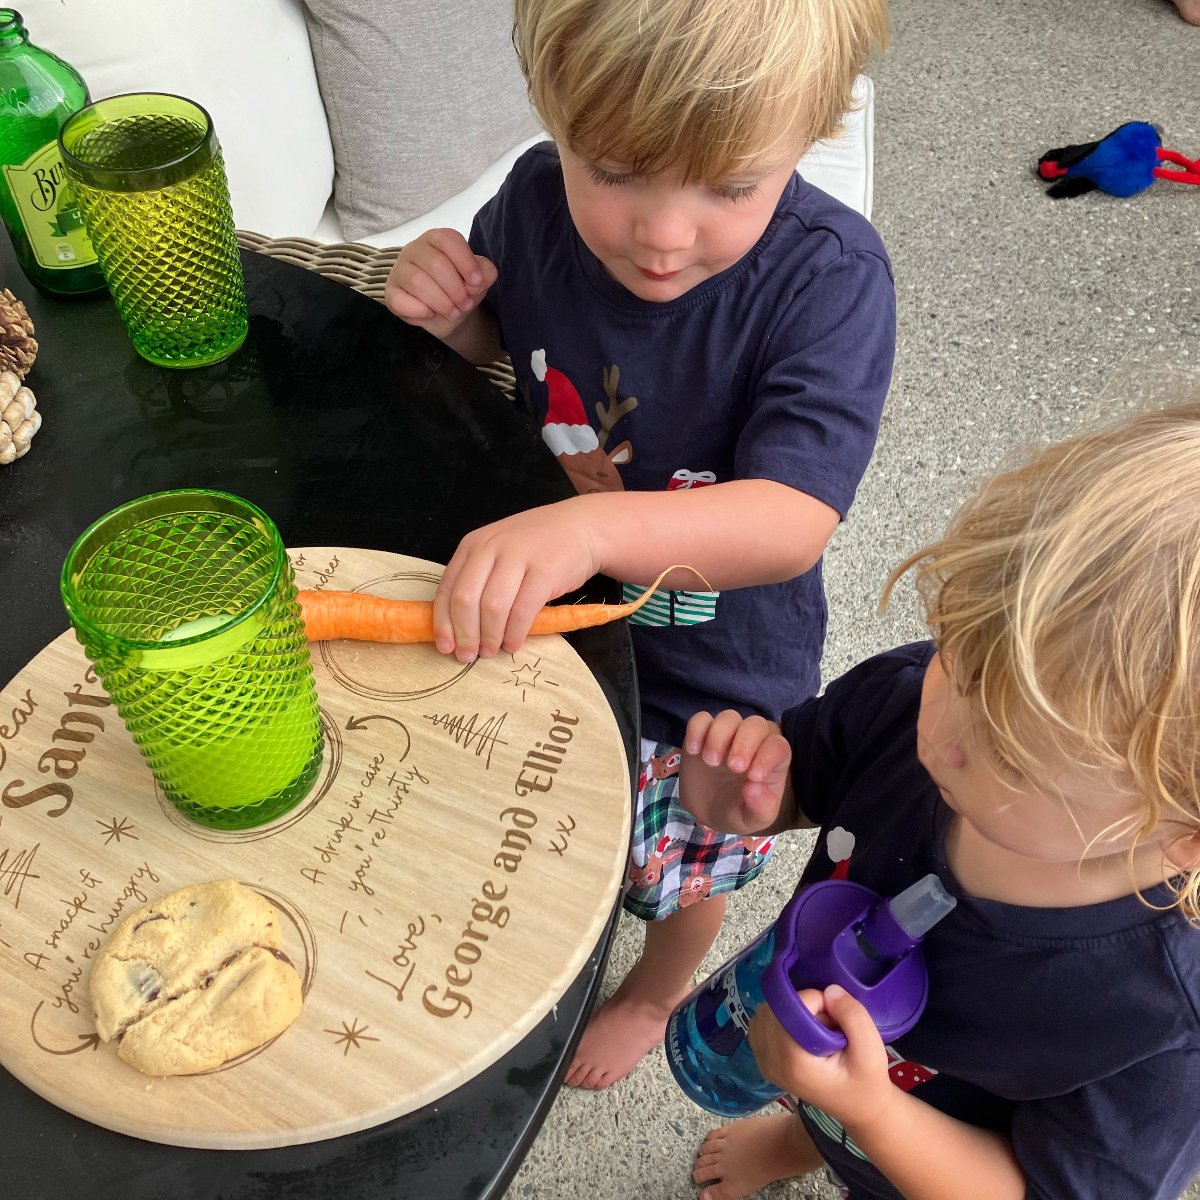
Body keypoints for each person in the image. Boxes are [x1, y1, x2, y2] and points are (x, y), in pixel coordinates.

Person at [384, 0, 894, 1090]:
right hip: (551, 627)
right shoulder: (529, 200)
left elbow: (793, 519)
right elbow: (512, 348)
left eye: (729, 187)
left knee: (686, 862)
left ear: (809, 134)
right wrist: (458, 318)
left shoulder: (830, 279)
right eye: (613, 170)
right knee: (526, 815)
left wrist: (594, 523)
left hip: (710, 675)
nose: (663, 235)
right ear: (552, 114)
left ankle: (657, 985)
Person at [678, 401, 1200, 1200]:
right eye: (960, 650)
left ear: (1182, 836)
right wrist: (742, 799)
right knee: (818, 1117)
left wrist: (873, 1114)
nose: (945, 736)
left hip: (930, 1155)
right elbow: (802, 783)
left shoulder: (1159, 1022)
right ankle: (795, 1140)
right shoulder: (913, 698)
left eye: (1017, 757)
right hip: (828, 1027)